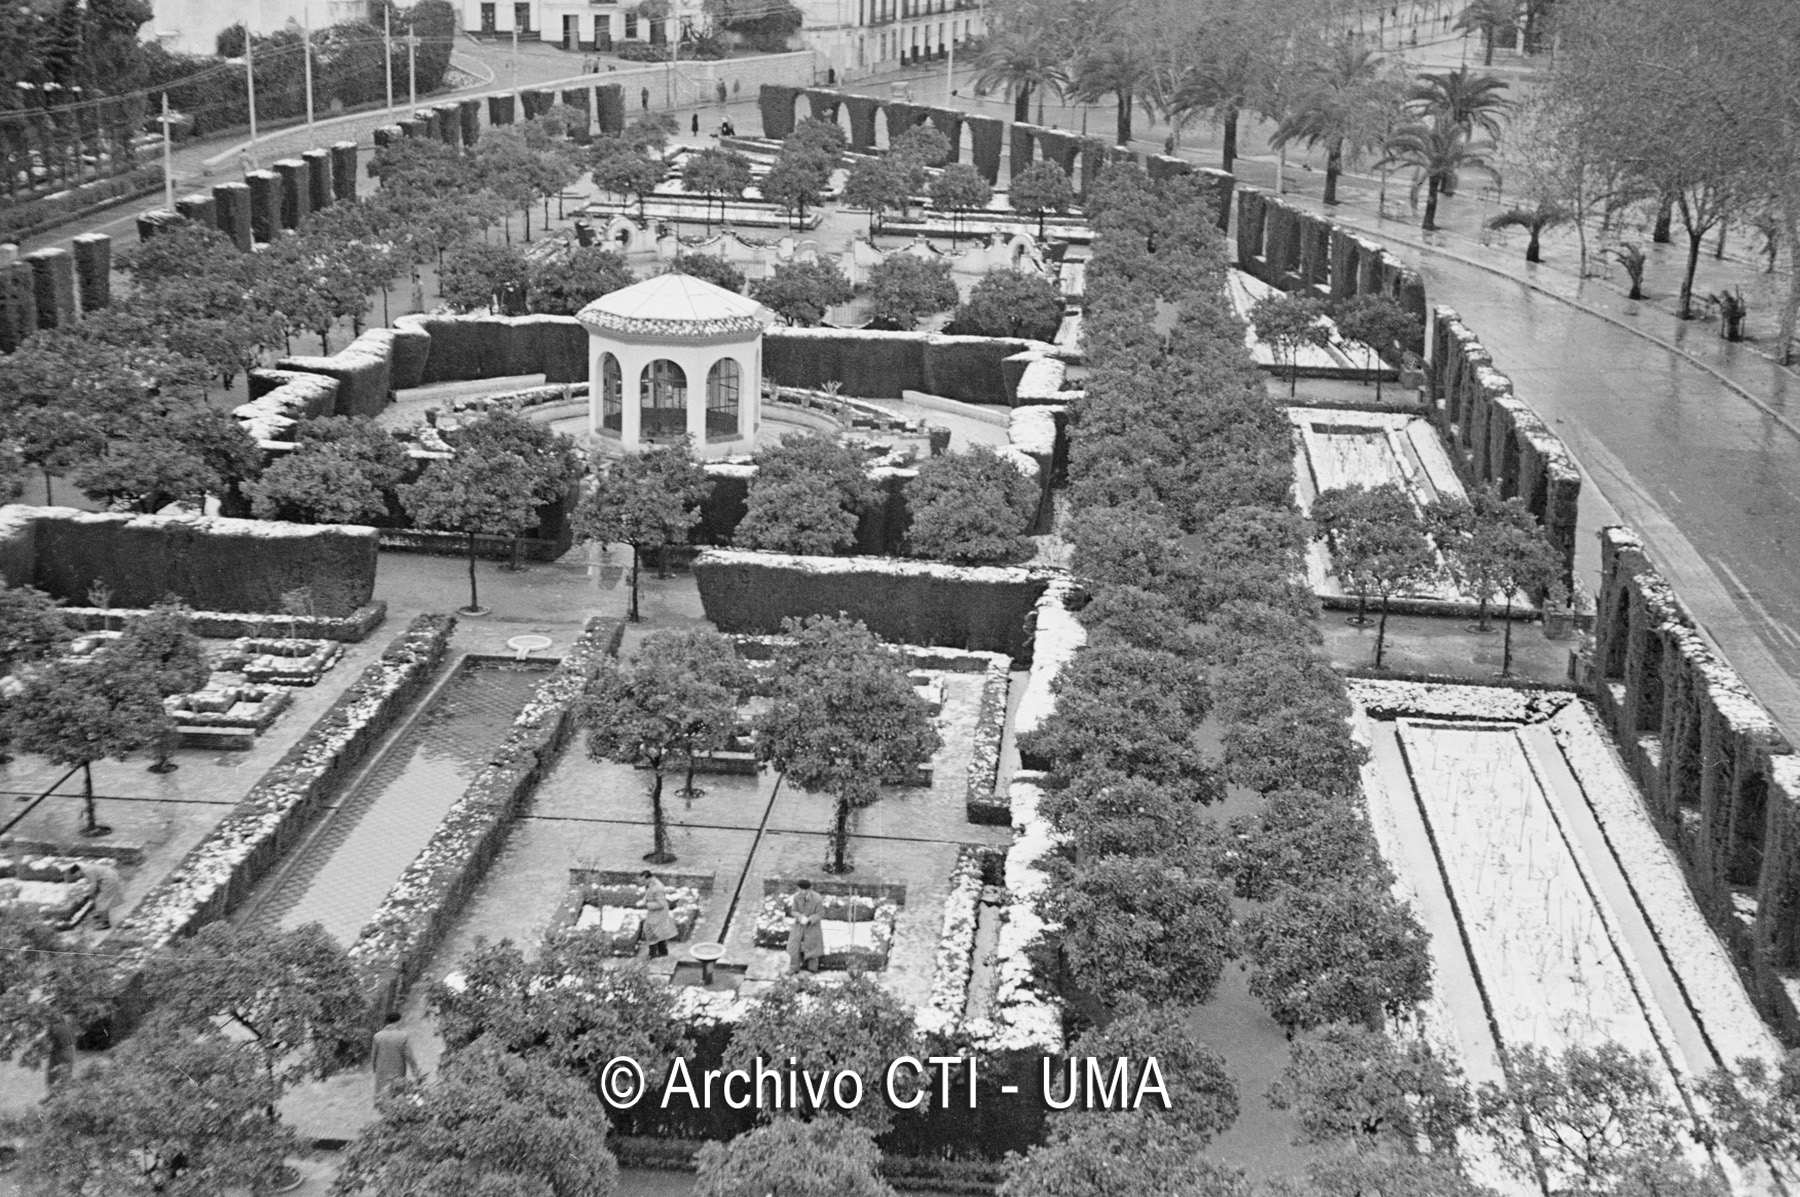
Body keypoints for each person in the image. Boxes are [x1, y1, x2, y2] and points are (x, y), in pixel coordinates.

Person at [371, 1011, 419, 1097]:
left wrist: (375, 1069)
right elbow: (410, 1057)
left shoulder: (377, 1036)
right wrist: (416, 1073)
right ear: (398, 1021)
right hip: (398, 1073)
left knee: (382, 1098)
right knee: (398, 1097)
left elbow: (373, 1057)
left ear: (387, 1022)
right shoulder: (403, 1036)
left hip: (382, 1074)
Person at [787, 879, 824, 974]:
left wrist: (810, 919)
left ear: (808, 890)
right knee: (794, 946)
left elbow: (820, 914)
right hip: (799, 926)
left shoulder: (817, 899)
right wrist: (800, 917)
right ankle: (793, 968)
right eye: (799, 890)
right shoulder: (796, 897)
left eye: (803, 890)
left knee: (813, 947)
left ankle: (812, 969)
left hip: (812, 927)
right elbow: (793, 910)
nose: (800, 892)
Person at [641, 869, 678, 958]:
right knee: (657, 933)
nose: (642, 882)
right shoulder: (651, 884)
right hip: (656, 913)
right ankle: (662, 952)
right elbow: (649, 895)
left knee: (651, 932)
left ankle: (653, 954)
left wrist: (647, 904)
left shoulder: (656, 888)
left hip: (658, 913)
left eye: (643, 880)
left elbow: (660, 904)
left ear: (649, 878)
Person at [81, 861, 123, 930]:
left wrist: (91, 894)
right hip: (110, 877)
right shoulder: (89, 868)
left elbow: (93, 885)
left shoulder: (87, 872)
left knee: (100, 901)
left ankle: (105, 923)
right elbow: (96, 882)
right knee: (100, 898)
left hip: (109, 881)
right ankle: (101, 914)